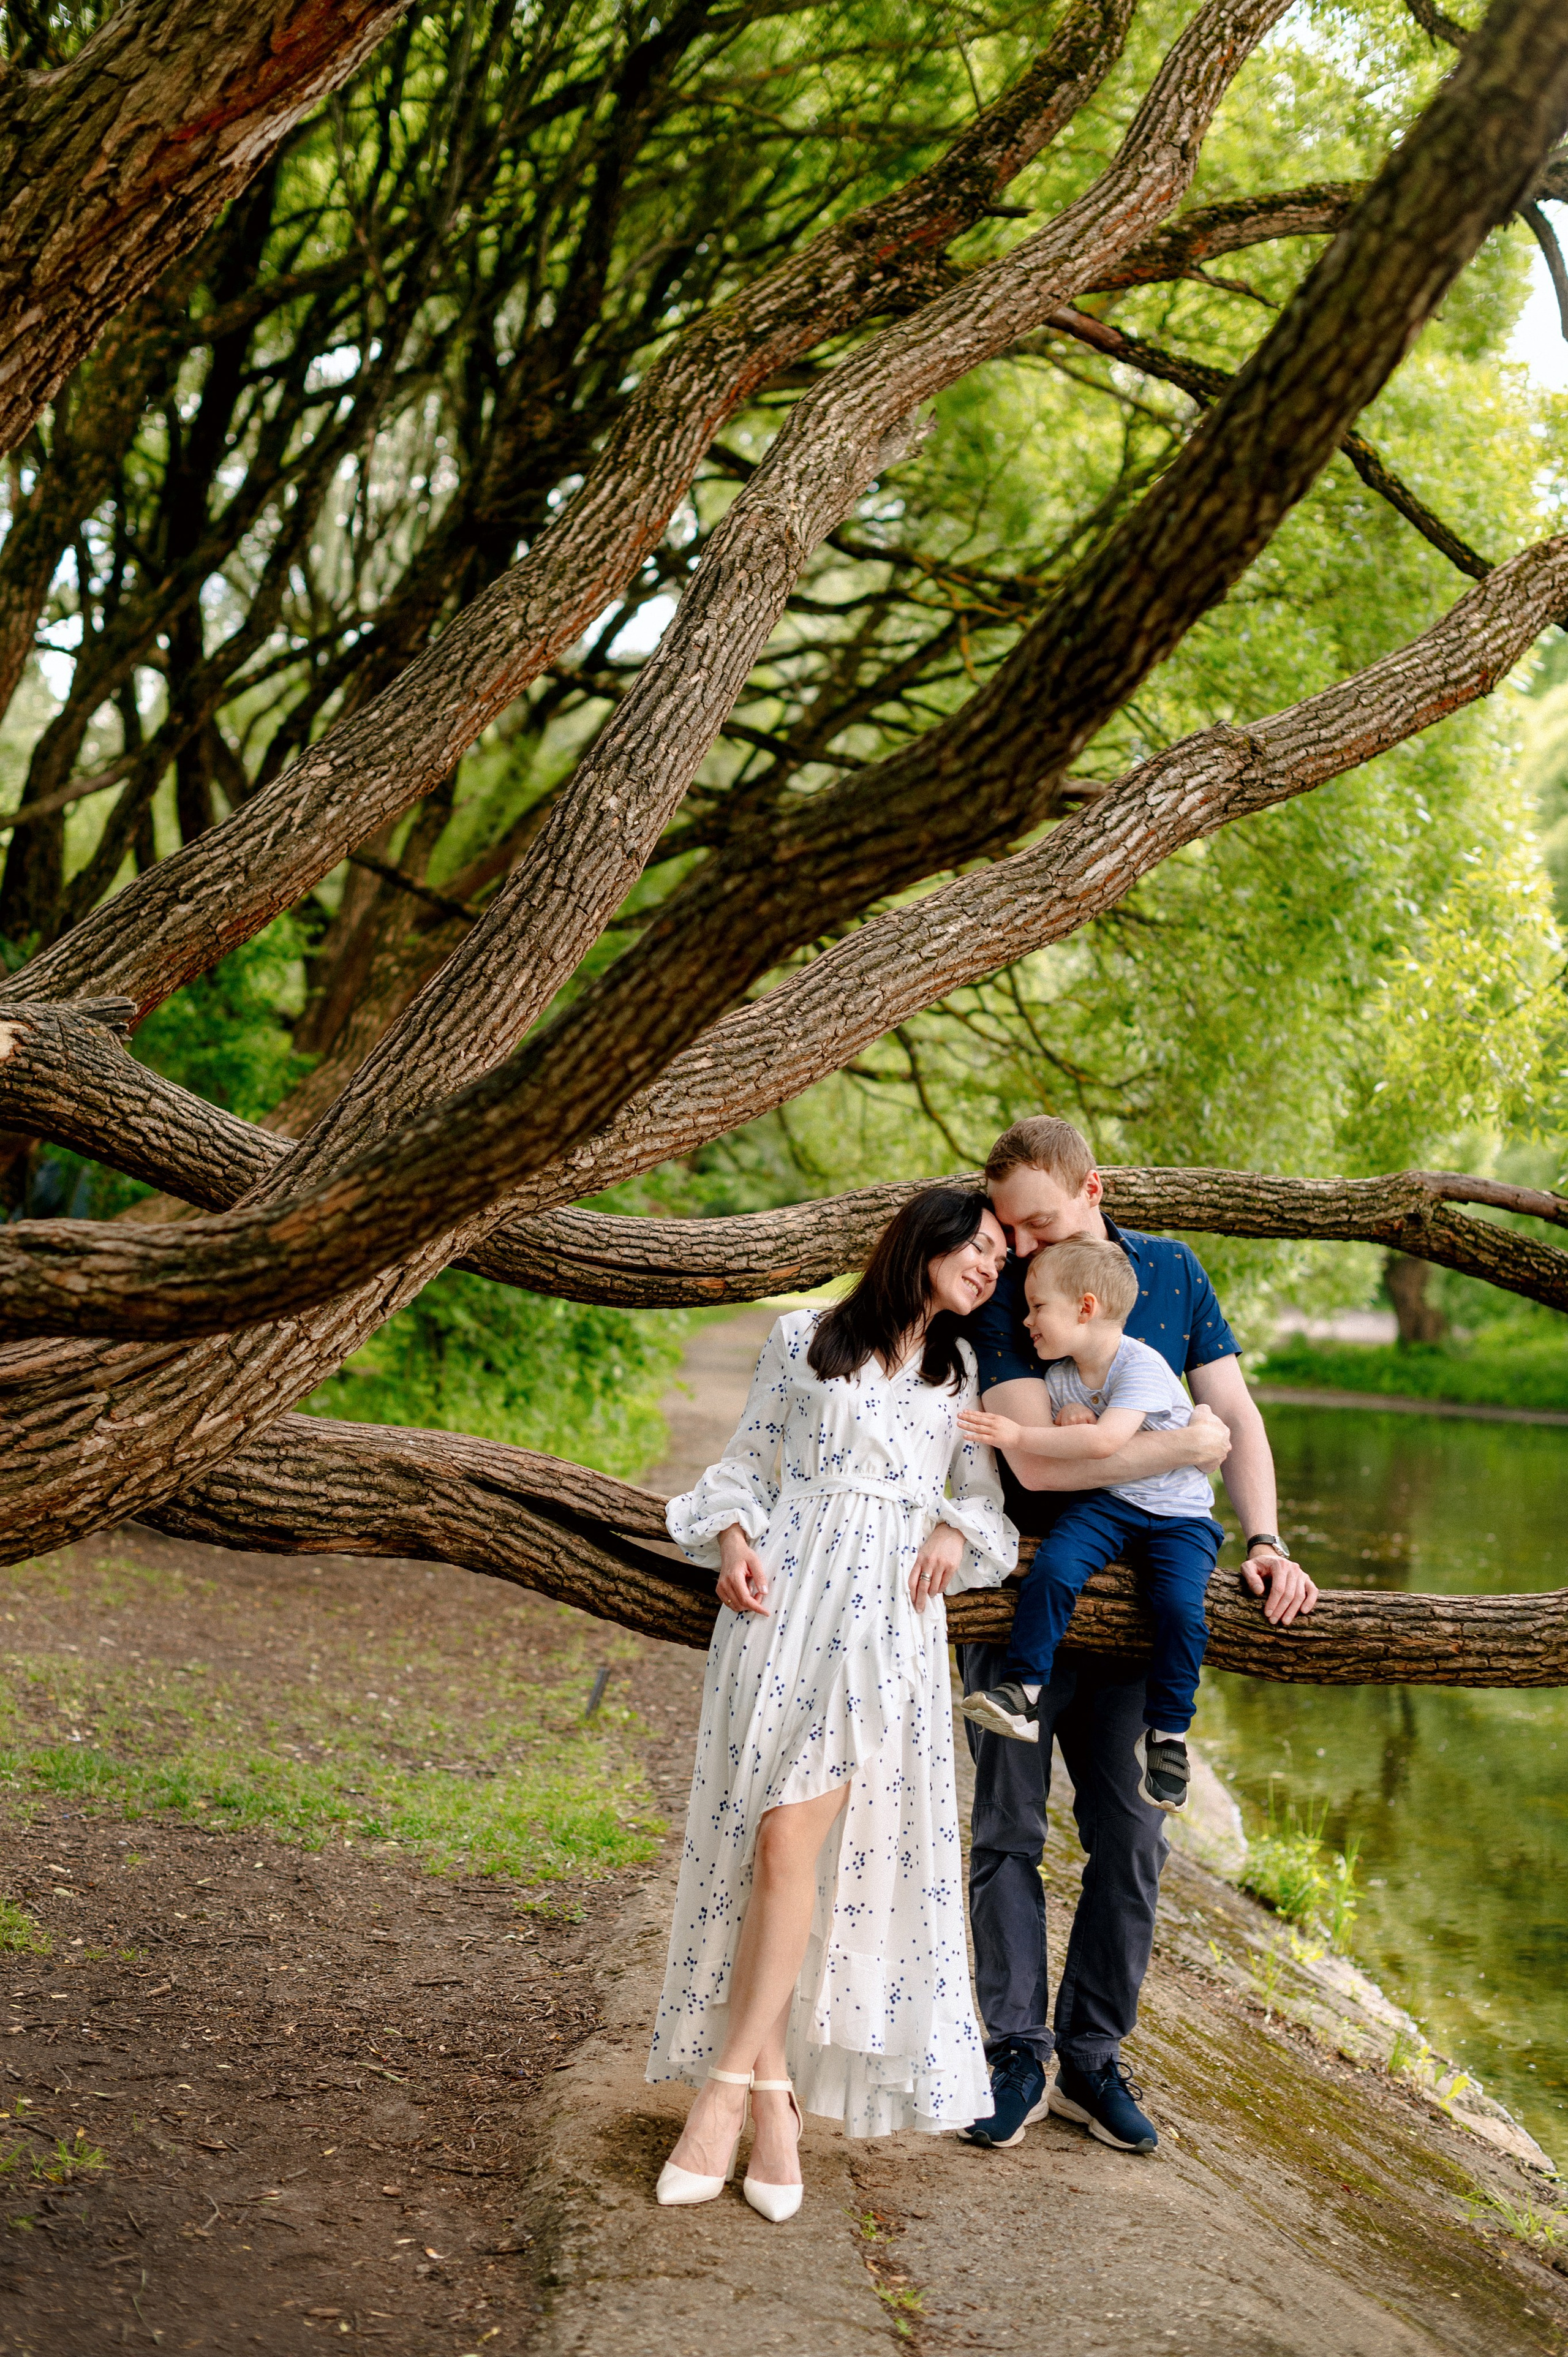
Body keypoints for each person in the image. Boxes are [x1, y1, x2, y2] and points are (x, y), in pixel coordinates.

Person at [648, 1188, 1019, 2220]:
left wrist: (952, 1523)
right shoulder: (801, 1337)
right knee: (764, 1850)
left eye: (1001, 1257)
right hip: (781, 1610)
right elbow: (743, 1467)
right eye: (980, 1247)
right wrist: (731, 1540)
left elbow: (985, 1504)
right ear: (927, 1240)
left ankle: (720, 2099)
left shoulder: (960, 1375)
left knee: (789, 1842)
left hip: (884, 1628)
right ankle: (774, 2100)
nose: (989, 1268)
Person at [956, 1116, 1319, 2157]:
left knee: (1133, 1838)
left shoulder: (1171, 1272)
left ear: (1093, 1190)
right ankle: (1013, 2050)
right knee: (1007, 1834)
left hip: (1143, 1606)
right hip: (1027, 1601)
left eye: (1035, 1224)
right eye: (1007, 1230)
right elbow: (1039, 1470)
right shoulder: (1009, 1302)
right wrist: (1181, 1442)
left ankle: (1091, 2056)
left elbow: (1235, 1414)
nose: (1016, 1248)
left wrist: (1264, 1536)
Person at [957, 1236, 1225, 1814]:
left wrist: (1021, 1436)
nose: (1026, 1321)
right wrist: (1069, 1414)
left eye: (1037, 1308)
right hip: (1113, 1506)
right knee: (1054, 1567)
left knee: (1180, 1607)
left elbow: (1103, 1442)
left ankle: (1168, 1736)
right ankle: (1024, 1691)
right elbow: (1081, 1429)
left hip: (1180, 1517)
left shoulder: (1143, 1364)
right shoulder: (1059, 1377)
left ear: (1084, 1307)